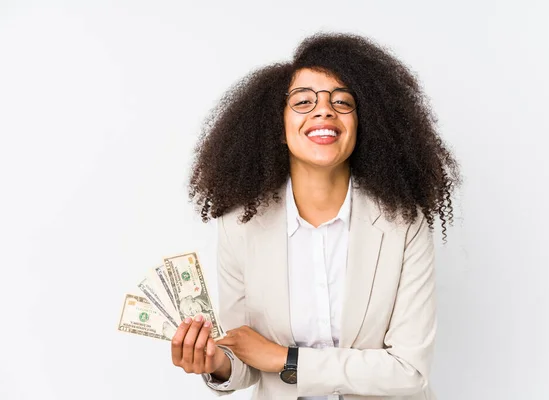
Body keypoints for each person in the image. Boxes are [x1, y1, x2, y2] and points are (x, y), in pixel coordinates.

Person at [170, 32, 461, 400]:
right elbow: (243, 358)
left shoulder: (404, 224)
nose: (324, 110)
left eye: (342, 102)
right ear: (278, 127)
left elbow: (409, 372)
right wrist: (215, 363)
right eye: (304, 101)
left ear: (361, 124)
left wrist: (287, 359)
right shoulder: (240, 226)